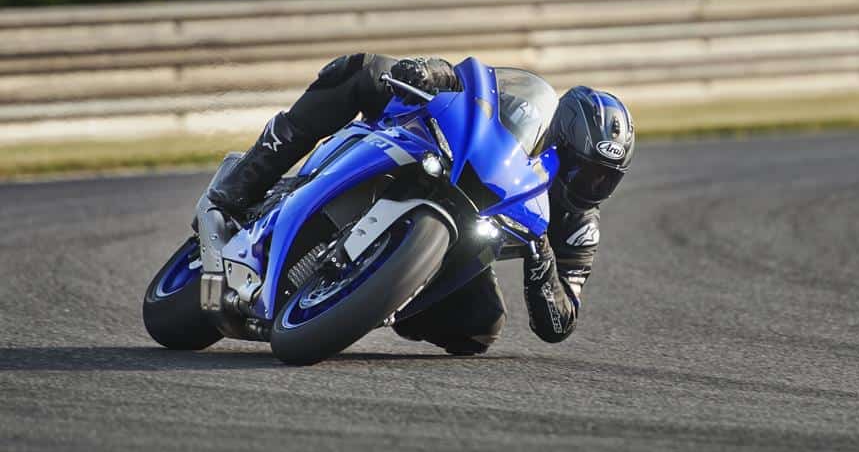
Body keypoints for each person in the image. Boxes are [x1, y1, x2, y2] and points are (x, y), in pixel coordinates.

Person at [206, 54, 634, 355]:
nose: (590, 185)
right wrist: (432, 72)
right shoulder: (521, 112)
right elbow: (474, 87)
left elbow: (559, 324)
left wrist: (542, 258)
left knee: (480, 328)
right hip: (434, 160)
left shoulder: (579, 224)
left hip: (465, 240)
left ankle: (376, 295)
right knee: (364, 70)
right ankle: (244, 181)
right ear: (558, 142)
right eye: (583, 169)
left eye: (605, 178)